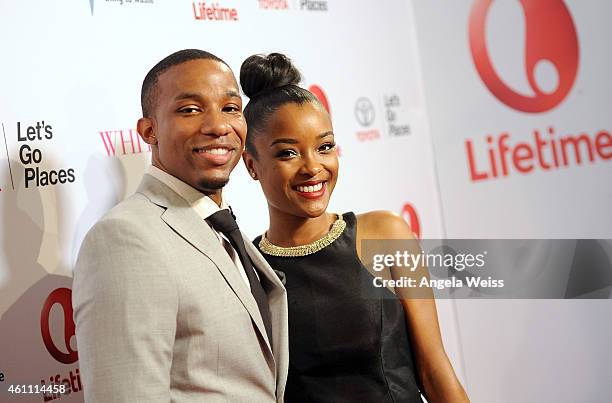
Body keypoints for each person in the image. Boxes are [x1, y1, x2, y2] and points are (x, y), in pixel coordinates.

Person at [240, 53, 469, 402]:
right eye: (288, 153)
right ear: (252, 164)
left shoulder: (384, 234)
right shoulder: (248, 269)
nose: (312, 167)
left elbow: (434, 371)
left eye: (325, 147)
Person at [72, 49, 289, 403]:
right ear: (149, 130)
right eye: (190, 109)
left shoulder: (219, 226)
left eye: (231, 108)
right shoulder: (125, 239)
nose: (219, 126)